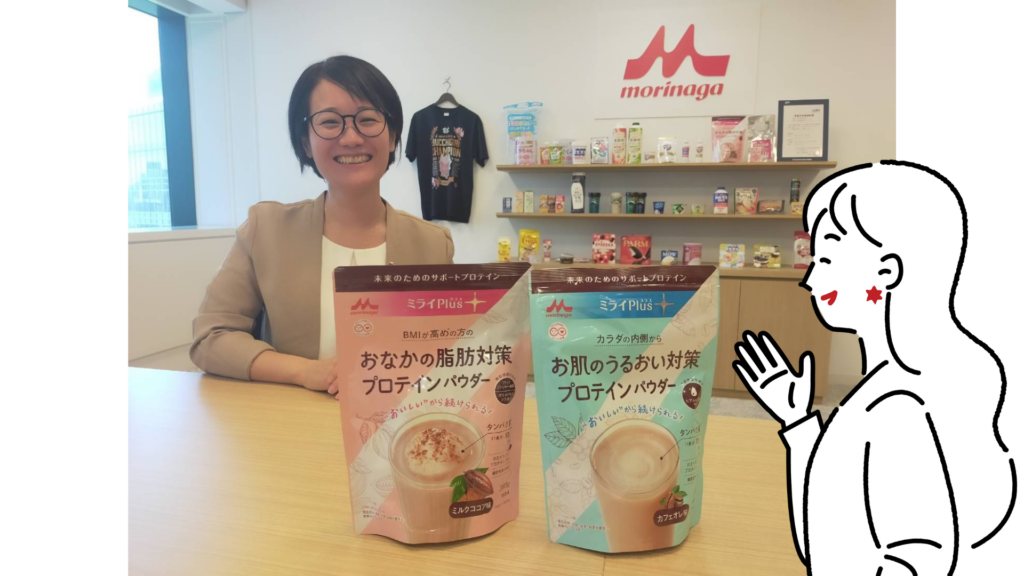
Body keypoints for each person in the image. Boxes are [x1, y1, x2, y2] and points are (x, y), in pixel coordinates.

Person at [733, 162, 1016, 574]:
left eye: (828, 259)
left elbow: (917, 558)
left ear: (887, 271)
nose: (810, 280)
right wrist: (797, 421)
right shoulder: (882, 393)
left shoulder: (896, 410)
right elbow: (823, 536)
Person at [191, 55, 454, 396]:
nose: (351, 137)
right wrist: (305, 371)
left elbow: (449, 349)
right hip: (291, 421)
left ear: (392, 137)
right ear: (306, 142)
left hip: (396, 419)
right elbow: (210, 338)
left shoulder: (433, 244)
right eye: (330, 122)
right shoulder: (265, 230)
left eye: (368, 119)